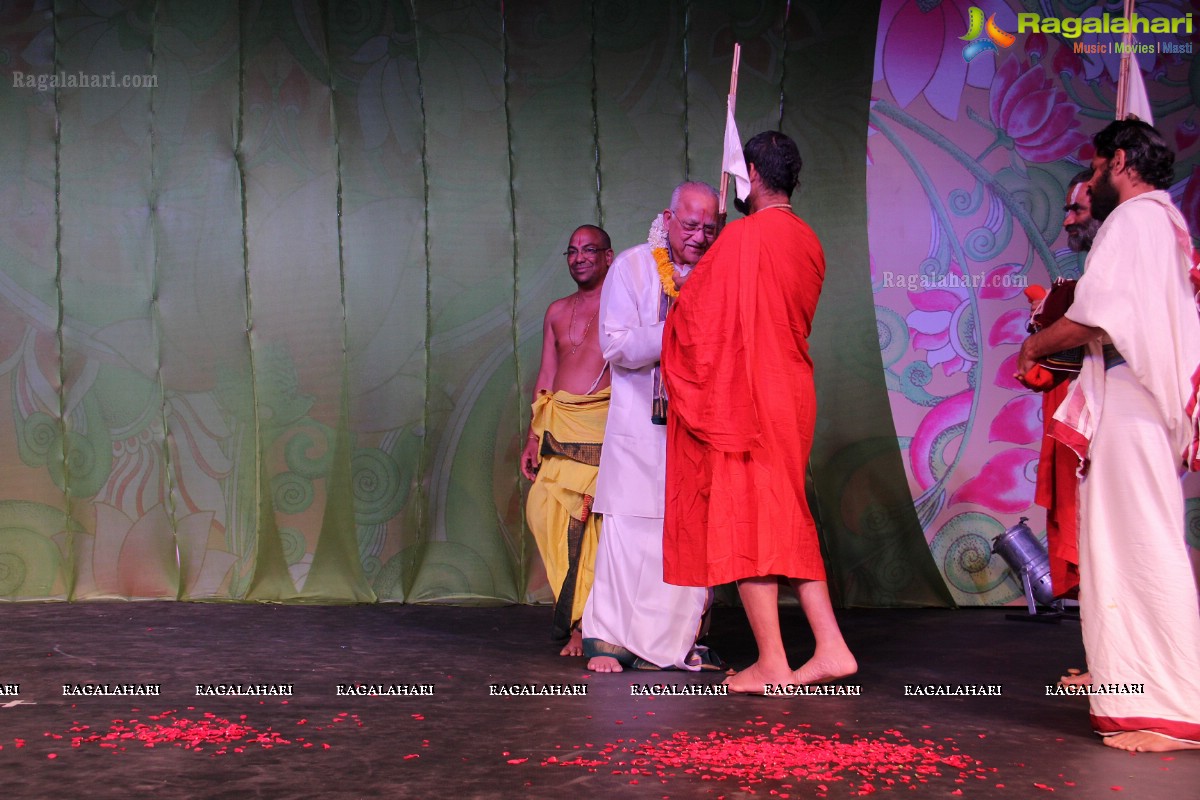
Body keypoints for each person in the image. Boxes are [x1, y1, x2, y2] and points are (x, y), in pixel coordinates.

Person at [1018, 118, 1200, 751]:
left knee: (1144, 545)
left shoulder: (1135, 220)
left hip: (1135, 401)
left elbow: (1096, 315)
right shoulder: (1163, 220)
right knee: (1122, 548)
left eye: (1096, 168)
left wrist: (1035, 343)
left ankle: (1175, 708)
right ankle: (1136, 694)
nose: (1092, 183)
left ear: (1119, 161)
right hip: (1134, 401)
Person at [660, 131, 856, 693]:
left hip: (748, 398)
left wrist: (686, 286)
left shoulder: (744, 237)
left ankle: (772, 661)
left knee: (745, 519)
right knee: (784, 517)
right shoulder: (808, 240)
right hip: (790, 391)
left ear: (748, 174)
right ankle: (832, 648)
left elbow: (694, 316)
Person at [581, 182, 721, 673]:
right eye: (690, 226)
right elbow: (616, 346)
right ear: (667, 218)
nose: (700, 237)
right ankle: (611, 642)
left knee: (685, 535)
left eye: (710, 227)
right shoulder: (634, 266)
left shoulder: (719, 273)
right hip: (641, 427)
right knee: (629, 537)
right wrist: (677, 330)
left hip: (699, 427)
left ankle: (665, 645)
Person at [521, 225, 613, 657]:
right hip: (558, 427)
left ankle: (584, 625)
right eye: (572, 251)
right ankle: (577, 613)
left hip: (600, 426)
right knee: (543, 512)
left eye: (589, 250)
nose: (579, 257)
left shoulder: (622, 305)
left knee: (586, 528)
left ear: (608, 257)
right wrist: (531, 437)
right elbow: (545, 376)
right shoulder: (557, 311)